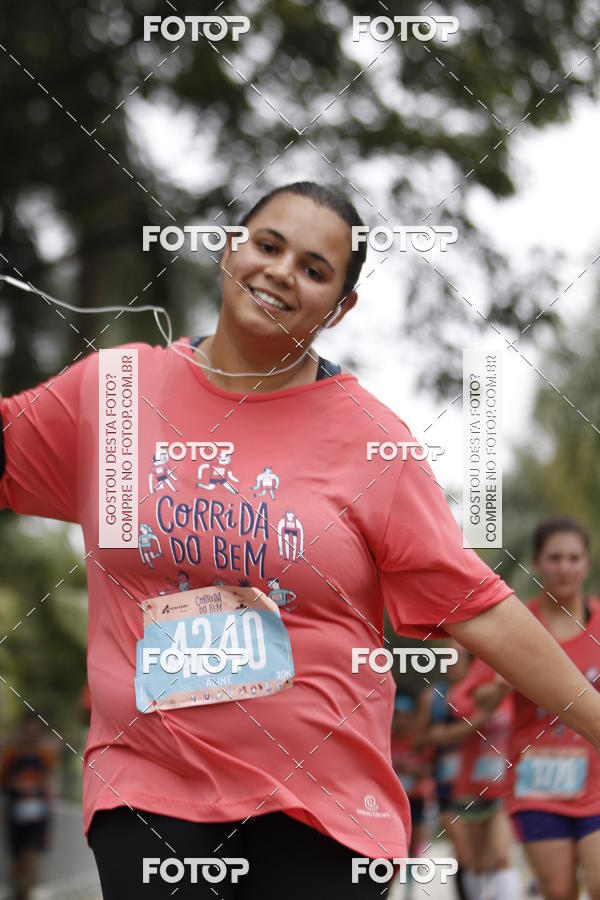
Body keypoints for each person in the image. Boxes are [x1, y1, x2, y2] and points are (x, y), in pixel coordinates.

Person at [2, 182, 600, 898]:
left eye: (316, 269)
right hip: (150, 778)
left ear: (340, 307)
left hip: (325, 801)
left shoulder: (369, 440)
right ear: (230, 251)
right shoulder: (119, 392)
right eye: (268, 245)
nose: (283, 271)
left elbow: (479, 605)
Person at [464, 517, 600, 900]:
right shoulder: (518, 625)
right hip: (538, 785)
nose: (565, 567)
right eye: (554, 558)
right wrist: (502, 684)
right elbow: (477, 698)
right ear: (538, 563)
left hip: (597, 780)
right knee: (559, 893)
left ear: (587, 564)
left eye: (574, 558)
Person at [447, 653, 519, 898]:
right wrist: (493, 696)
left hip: (505, 788)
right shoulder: (465, 691)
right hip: (471, 788)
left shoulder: (518, 690)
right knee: (475, 861)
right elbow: (458, 712)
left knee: (500, 855)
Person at [414, 641, 475, 899]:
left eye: (457, 657)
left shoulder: (482, 692)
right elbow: (416, 739)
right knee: (465, 852)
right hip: (447, 786)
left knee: (490, 857)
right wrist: (435, 737)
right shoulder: (434, 696)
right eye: (446, 658)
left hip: (482, 784)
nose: (450, 663)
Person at [0, 713, 55, 900]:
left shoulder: (44, 754)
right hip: (16, 813)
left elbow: (48, 780)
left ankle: (28, 892)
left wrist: (38, 787)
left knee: (31, 854)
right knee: (17, 859)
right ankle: (18, 890)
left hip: (37, 814)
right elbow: (4, 780)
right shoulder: (11, 754)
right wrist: (17, 786)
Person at [390, 688, 434, 897]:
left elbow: (429, 769)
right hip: (393, 804)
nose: (401, 721)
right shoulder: (386, 739)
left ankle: (409, 888)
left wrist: (415, 770)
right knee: (394, 847)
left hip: (415, 800)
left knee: (414, 843)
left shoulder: (418, 741)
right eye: (397, 715)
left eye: (405, 716)